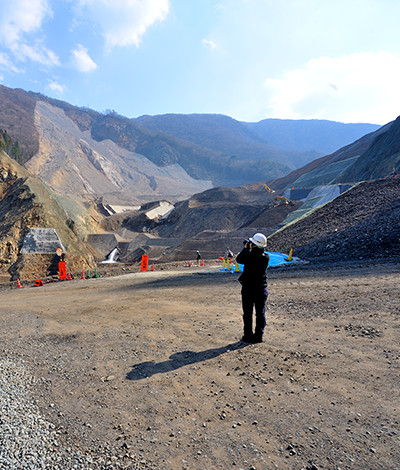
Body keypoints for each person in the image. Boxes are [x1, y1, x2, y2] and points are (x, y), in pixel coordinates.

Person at [236, 233, 270, 343]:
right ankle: (259, 336)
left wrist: (246, 248)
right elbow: (258, 254)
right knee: (260, 313)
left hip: (248, 289)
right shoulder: (266, 258)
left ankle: (248, 336)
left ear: (253, 244)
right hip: (261, 289)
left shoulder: (248, 256)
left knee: (248, 313)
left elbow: (239, 259)